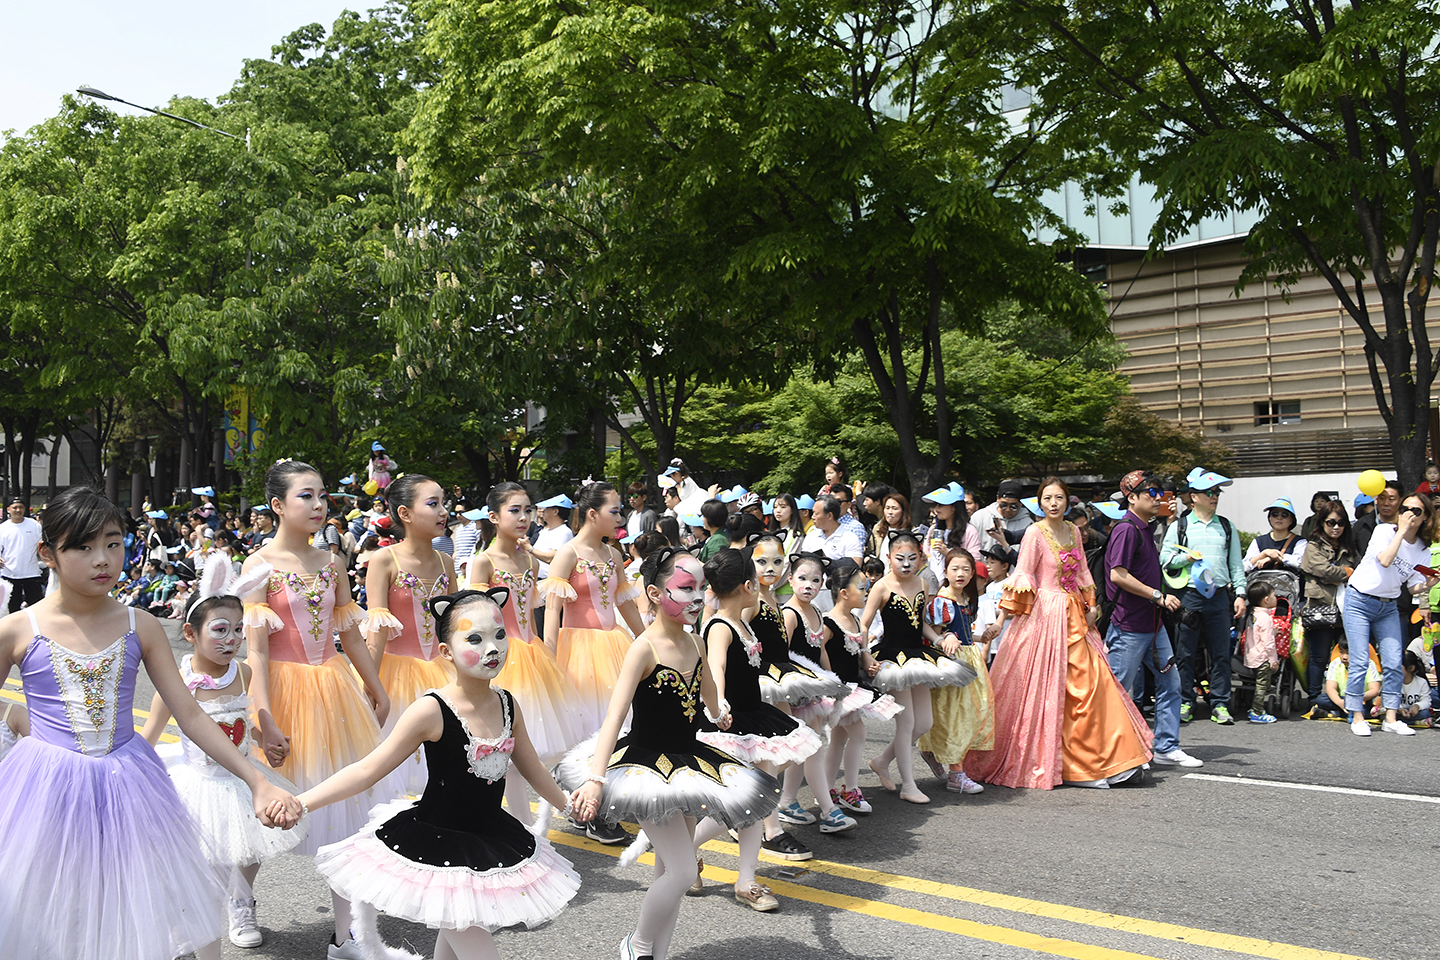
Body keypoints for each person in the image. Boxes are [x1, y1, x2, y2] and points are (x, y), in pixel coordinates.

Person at [0, 486, 300, 960]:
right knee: (53, 899)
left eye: (114, 543)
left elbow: (191, 714)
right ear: (47, 554)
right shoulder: (17, 629)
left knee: (131, 898)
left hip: (129, 780)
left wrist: (256, 781)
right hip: (46, 783)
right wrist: (15, 716)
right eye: (83, 545)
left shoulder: (139, 625)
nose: (103, 559)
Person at [297, 588, 581, 960]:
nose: (491, 648)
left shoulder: (507, 704)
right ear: (446, 652)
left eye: (499, 634)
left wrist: (568, 805)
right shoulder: (432, 710)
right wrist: (302, 802)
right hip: (439, 848)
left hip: (490, 839)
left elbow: (533, 769)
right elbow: (368, 769)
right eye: (474, 639)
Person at [560, 548, 780, 958]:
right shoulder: (643, 649)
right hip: (644, 769)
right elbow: (615, 717)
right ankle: (636, 945)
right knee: (681, 872)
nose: (696, 598)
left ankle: (657, 955)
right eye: (684, 588)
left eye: (700, 589)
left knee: (667, 870)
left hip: (690, 765)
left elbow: (712, 702)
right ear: (656, 594)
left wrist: (722, 714)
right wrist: (596, 777)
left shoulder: (697, 642)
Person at [240, 459, 395, 960]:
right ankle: (241, 900)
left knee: (347, 808)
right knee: (268, 807)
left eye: (322, 495)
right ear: (277, 505)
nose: (318, 504)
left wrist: (375, 684)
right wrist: (264, 718)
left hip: (334, 688)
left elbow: (348, 629)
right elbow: (257, 651)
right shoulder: (258, 566)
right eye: (306, 496)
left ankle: (346, 933)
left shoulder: (331, 561)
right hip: (282, 692)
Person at [140, 554, 307, 954]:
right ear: (191, 633)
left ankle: (242, 900)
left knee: (254, 842)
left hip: (240, 774)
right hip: (198, 783)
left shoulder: (244, 671)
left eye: (238, 629)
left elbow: (242, 720)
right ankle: (191, 927)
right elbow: (150, 734)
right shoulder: (179, 681)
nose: (231, 639)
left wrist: (264, 736)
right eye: (219, 629)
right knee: (206, 863)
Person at [967, 477, 1152, 789]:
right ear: (1039, 503)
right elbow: (1023, 575)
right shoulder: (1034, 533)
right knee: (1050, 694)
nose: (1053, 503)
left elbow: (1081, 571)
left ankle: (1104, 760)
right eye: (1047, 498)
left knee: (1094, 686)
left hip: (1075, 616)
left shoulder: (1073, 531)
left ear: (1068, 502)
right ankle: (1075, 765)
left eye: (1059, 498)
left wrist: (1092, 605)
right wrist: (1000, 620)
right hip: (1044, 620)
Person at [695, 548, 823, 889]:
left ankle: (746, 880)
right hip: (734, 723)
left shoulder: (742, 619)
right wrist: (719, 704)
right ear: (745, 585)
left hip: (757, 718)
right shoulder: (720, 625)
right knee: (744, 804)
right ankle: (688, 848)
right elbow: (715, 666)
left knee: (759, 801)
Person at [469, 482, 585, 829]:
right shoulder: (482, 562)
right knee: (505, 749)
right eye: (514, 510)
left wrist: (545, 654)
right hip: (499, 661)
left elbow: (529, 617)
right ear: (494, 516)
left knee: (526, 751)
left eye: (528, 510)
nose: (524, 517)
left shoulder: (528, 560)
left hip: (531, 657)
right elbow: (473, 622)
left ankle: (527, 830)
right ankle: (520, 828)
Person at [541, 482, 645, 851]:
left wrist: (649, 642)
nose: (620, 517)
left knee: (614, 726)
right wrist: (549, 660)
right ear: (592, 514)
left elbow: (628, 606)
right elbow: (552, 610)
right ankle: (588, 809)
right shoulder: (567, 553)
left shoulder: (614, 555)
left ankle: (599, 800)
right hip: (577, 649)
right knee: (586, 728)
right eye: (615, 511)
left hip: (613, 644)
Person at [360, 475, 458, 797]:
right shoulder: (385, 559)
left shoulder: (446, 561)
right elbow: (377, 632)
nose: (443, 511)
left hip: (444, 676)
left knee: (444, 769)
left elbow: (454, 626)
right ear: (405, 513)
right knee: (395, 773)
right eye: (433, 504)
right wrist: (369, 689)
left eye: (443, 502)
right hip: (395, 676)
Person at [861, 533, 977, 804]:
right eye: (900, 558)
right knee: (907, 722)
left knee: (924, 723)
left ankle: (881, 760)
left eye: (912, 558)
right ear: (889, 558)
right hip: (892, 658)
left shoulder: (924, 584)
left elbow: (920, 621)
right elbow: (864, 624)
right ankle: (908, 785)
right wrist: (865, 656)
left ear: (921, 559)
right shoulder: (881, 586)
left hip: (918, 656)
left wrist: (938, 638)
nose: (906, 564)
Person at [1102, 471, 1201, 768]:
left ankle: (1166, 746)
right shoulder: (1127, 529)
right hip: (1129, 625)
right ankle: (1112, 753)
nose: (1158, 499)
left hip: (1153, 624)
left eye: (1159, 493)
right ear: (1131, 498)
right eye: (1151, 493)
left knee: (1170, 684)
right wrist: (1157, 595)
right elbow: (1117, 575)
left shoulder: (1146, 528)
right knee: (1119, 690)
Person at [1341, 491, 1440, 737]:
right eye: (1405, 508)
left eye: (1415, 511)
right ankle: (1356, 715)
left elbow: (1412, 587)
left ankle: (1391, 717)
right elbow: (1385, 560)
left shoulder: (1422, 549)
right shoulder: (1385, 531)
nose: (1408, 514)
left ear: (1425, 517)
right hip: (1359, 600)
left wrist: (1427, 584)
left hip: (1388, 605)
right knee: (1361, 660)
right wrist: (1401, 532)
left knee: (1395, 661)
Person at [778, 553, 859, 834]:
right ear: (790, 580)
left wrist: (832, 680)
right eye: (802, 578)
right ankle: (828, 810)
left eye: (815, 580)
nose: (808, 585)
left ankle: (787, 801)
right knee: (811, 748)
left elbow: (821, 650)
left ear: (823, 584)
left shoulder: (814, 612)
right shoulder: (789, 613)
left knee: (807, 749)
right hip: (795, 693)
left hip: (811, 692)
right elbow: (782, 653)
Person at [1160, 468, 1247, 725]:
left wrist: (1240, 594)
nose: (1215, 497)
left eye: (1217, 492)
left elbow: (1236, 566)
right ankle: (1186, 701)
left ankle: (1220, 703)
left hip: (1219, 596)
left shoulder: (1227, 527)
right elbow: (1165, 560)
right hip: (1189, 596)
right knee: (1185, 651)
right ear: (1194, 497)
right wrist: (1186, 557)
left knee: (1221, 652)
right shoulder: (1180, 526)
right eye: (1209, 492)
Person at [819, 559, 902, 815]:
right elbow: (820, 656)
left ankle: (826, 789)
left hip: (854, 686)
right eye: (862, 588)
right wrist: (830, 685)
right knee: (858, 735)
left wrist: (869, 662)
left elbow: (863, 652)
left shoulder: (856, 621)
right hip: (839, 690)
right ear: (844, 593)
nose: (866, 593)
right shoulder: (828, 623)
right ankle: (849, 790)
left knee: (840, 738)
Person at [917, 551, 994, 794]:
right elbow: (934, 635)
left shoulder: (968, 600)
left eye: (965, 569)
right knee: (955, 716)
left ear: (973, 573)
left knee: (971, 713)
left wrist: (983, 637)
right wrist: (946, 639)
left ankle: (931, 752)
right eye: (955, 569)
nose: (960, 574)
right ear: (946, 572)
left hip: (970, 659)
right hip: (952, 664)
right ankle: (956, 773)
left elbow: (966, 634)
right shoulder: (942, 601)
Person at [1299, 501, 1355, 711]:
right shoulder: (1313, 545)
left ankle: (1344, 695)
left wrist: (1336, 574)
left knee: (1347, 654)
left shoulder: (1349, 546)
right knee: (1319, 655)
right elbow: (1320, 569)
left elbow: (1356, 568)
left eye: (1340, 522)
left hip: (1346, 608)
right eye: (1331, 522)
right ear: (1322, 522)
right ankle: (1314, 697)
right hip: (1321, 606)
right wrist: (1345, 573)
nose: (1336, 527)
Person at [1243, 581, 1282, 724]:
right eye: (1274, 595)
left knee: (1257, 683)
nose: (1275, 598)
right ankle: (1257, 711)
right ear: (1266, 599)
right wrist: (1273, 660)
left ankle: (1254, 708)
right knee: (1262, 685)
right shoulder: (1266, 618)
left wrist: (1272, 631)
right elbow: (1269, 643)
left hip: (1252, 655)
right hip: (1263, 658)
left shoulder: (1253, 614)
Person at [967, 479, 1032, 564]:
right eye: (1004, 505)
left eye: (1013, 506)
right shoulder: (979, 517)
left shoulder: (1028, 524)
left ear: (1021, 503)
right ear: (997, 498)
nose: (1008, 510)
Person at [1243, 498, 1307, 577]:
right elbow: (1244, 567)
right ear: (1270, 518)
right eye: (1275, 514)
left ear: (1291, 520)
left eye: (1284, 515)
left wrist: (1273, 558)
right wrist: (1264, 553)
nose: (1279, 517)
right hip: (1262, 587)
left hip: (1290, 588)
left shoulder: (1300, 541)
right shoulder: (1259, 541)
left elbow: (1299, 563)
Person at [0, 498, 44, 613]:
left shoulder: (34, 525)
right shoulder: (3, 528)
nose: (18, 510)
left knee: (37, 607)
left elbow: (42, 545)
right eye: (15, 507)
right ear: (8, 510)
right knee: (12, 608)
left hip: (32, 573)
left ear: (24, 509)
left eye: (20, 507)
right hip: (10, 574)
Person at [1314, 645, 1379, 719]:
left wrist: (1358, 698)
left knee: (1367, 711)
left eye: (1348, 653)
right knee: (1321, 699)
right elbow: (1330, 688)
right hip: (1342, 698)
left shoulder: (1369, 664)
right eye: (1341, 652)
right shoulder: (1335, 663)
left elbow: (1375, 690)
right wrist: (1340, 702)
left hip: (1362, 700)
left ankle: (1334, 713)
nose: (1344, 657)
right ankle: (1343, 712)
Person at [802, 495, 864, 564]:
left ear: (829, 516)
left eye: (816, 513)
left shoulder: (850, 538)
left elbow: (855, 565)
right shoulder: (811, 536)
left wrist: (827, 563)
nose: (812, 517)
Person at [530, 494, 575, 577]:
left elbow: (551, 558)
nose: (543, 511)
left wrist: (528, 548)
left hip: (548, 581)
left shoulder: (564, 532)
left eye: (546, 508)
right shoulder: (545, 531)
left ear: (555, 511)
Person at [1353, 481, 1401, 556]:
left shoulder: (1406, 526)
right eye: (1382, 498)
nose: (1386, 503)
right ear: (1376, 499)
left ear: (1400, 501)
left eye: (1391, 499)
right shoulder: (1362, 524)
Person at [869, 492, 911, 567]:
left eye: (894, 508)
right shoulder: (878, 529)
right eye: (887, 508)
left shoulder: (911, 532)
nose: (890, 512)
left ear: (903, 511)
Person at [1399, 650, 1432, 727]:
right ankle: (1415, 723)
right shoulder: (1393, 682)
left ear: (1411, 668)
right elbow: (1389, 699)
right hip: (1399, 711)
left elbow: (1426, 700)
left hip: (1413, 712)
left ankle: (1405, 722)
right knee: (1386, 714)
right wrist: (1399, 709)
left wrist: (1418, 706)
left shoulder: (1421, 682)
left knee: (1425, 713)